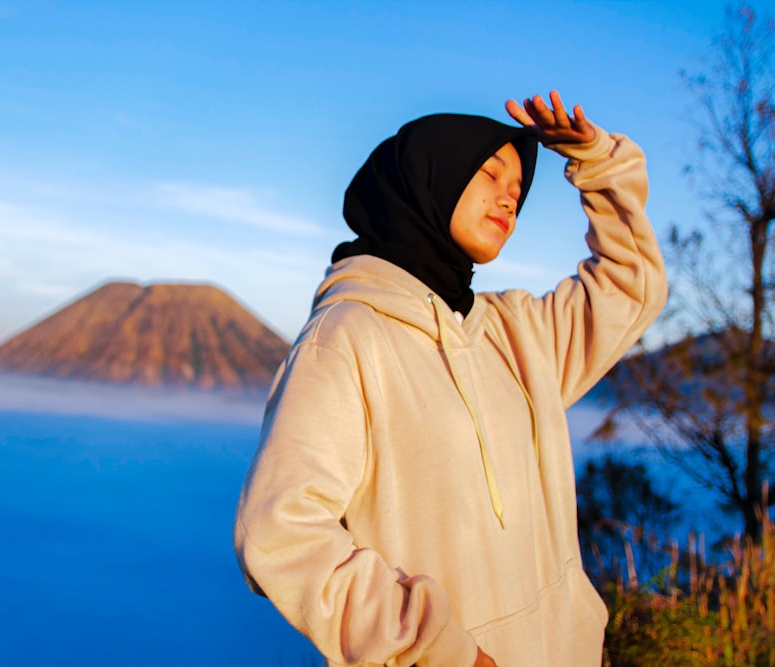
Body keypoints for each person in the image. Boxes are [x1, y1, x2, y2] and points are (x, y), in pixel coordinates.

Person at [233, 91, 667, 667]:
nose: (509, 198)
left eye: (518, 190)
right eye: (489, 173)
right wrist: (436, 651)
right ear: (427, 178)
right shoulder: (347, 338)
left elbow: (631, 285)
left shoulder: (516, 332)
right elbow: (280, 532)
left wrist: (598, 162)